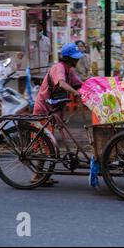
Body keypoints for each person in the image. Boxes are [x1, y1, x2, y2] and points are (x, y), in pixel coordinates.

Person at [31, 43, 84, 186]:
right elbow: (61, 84)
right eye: (75, 58)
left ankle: (43, 176)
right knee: (43, 143)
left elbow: (79, 84)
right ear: (68, 58)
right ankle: (37, 176)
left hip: (55, 109)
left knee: (49, 141)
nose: (77, 61)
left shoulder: (69, 70)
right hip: (44, 108)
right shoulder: (58, 68)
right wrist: (75, 93)